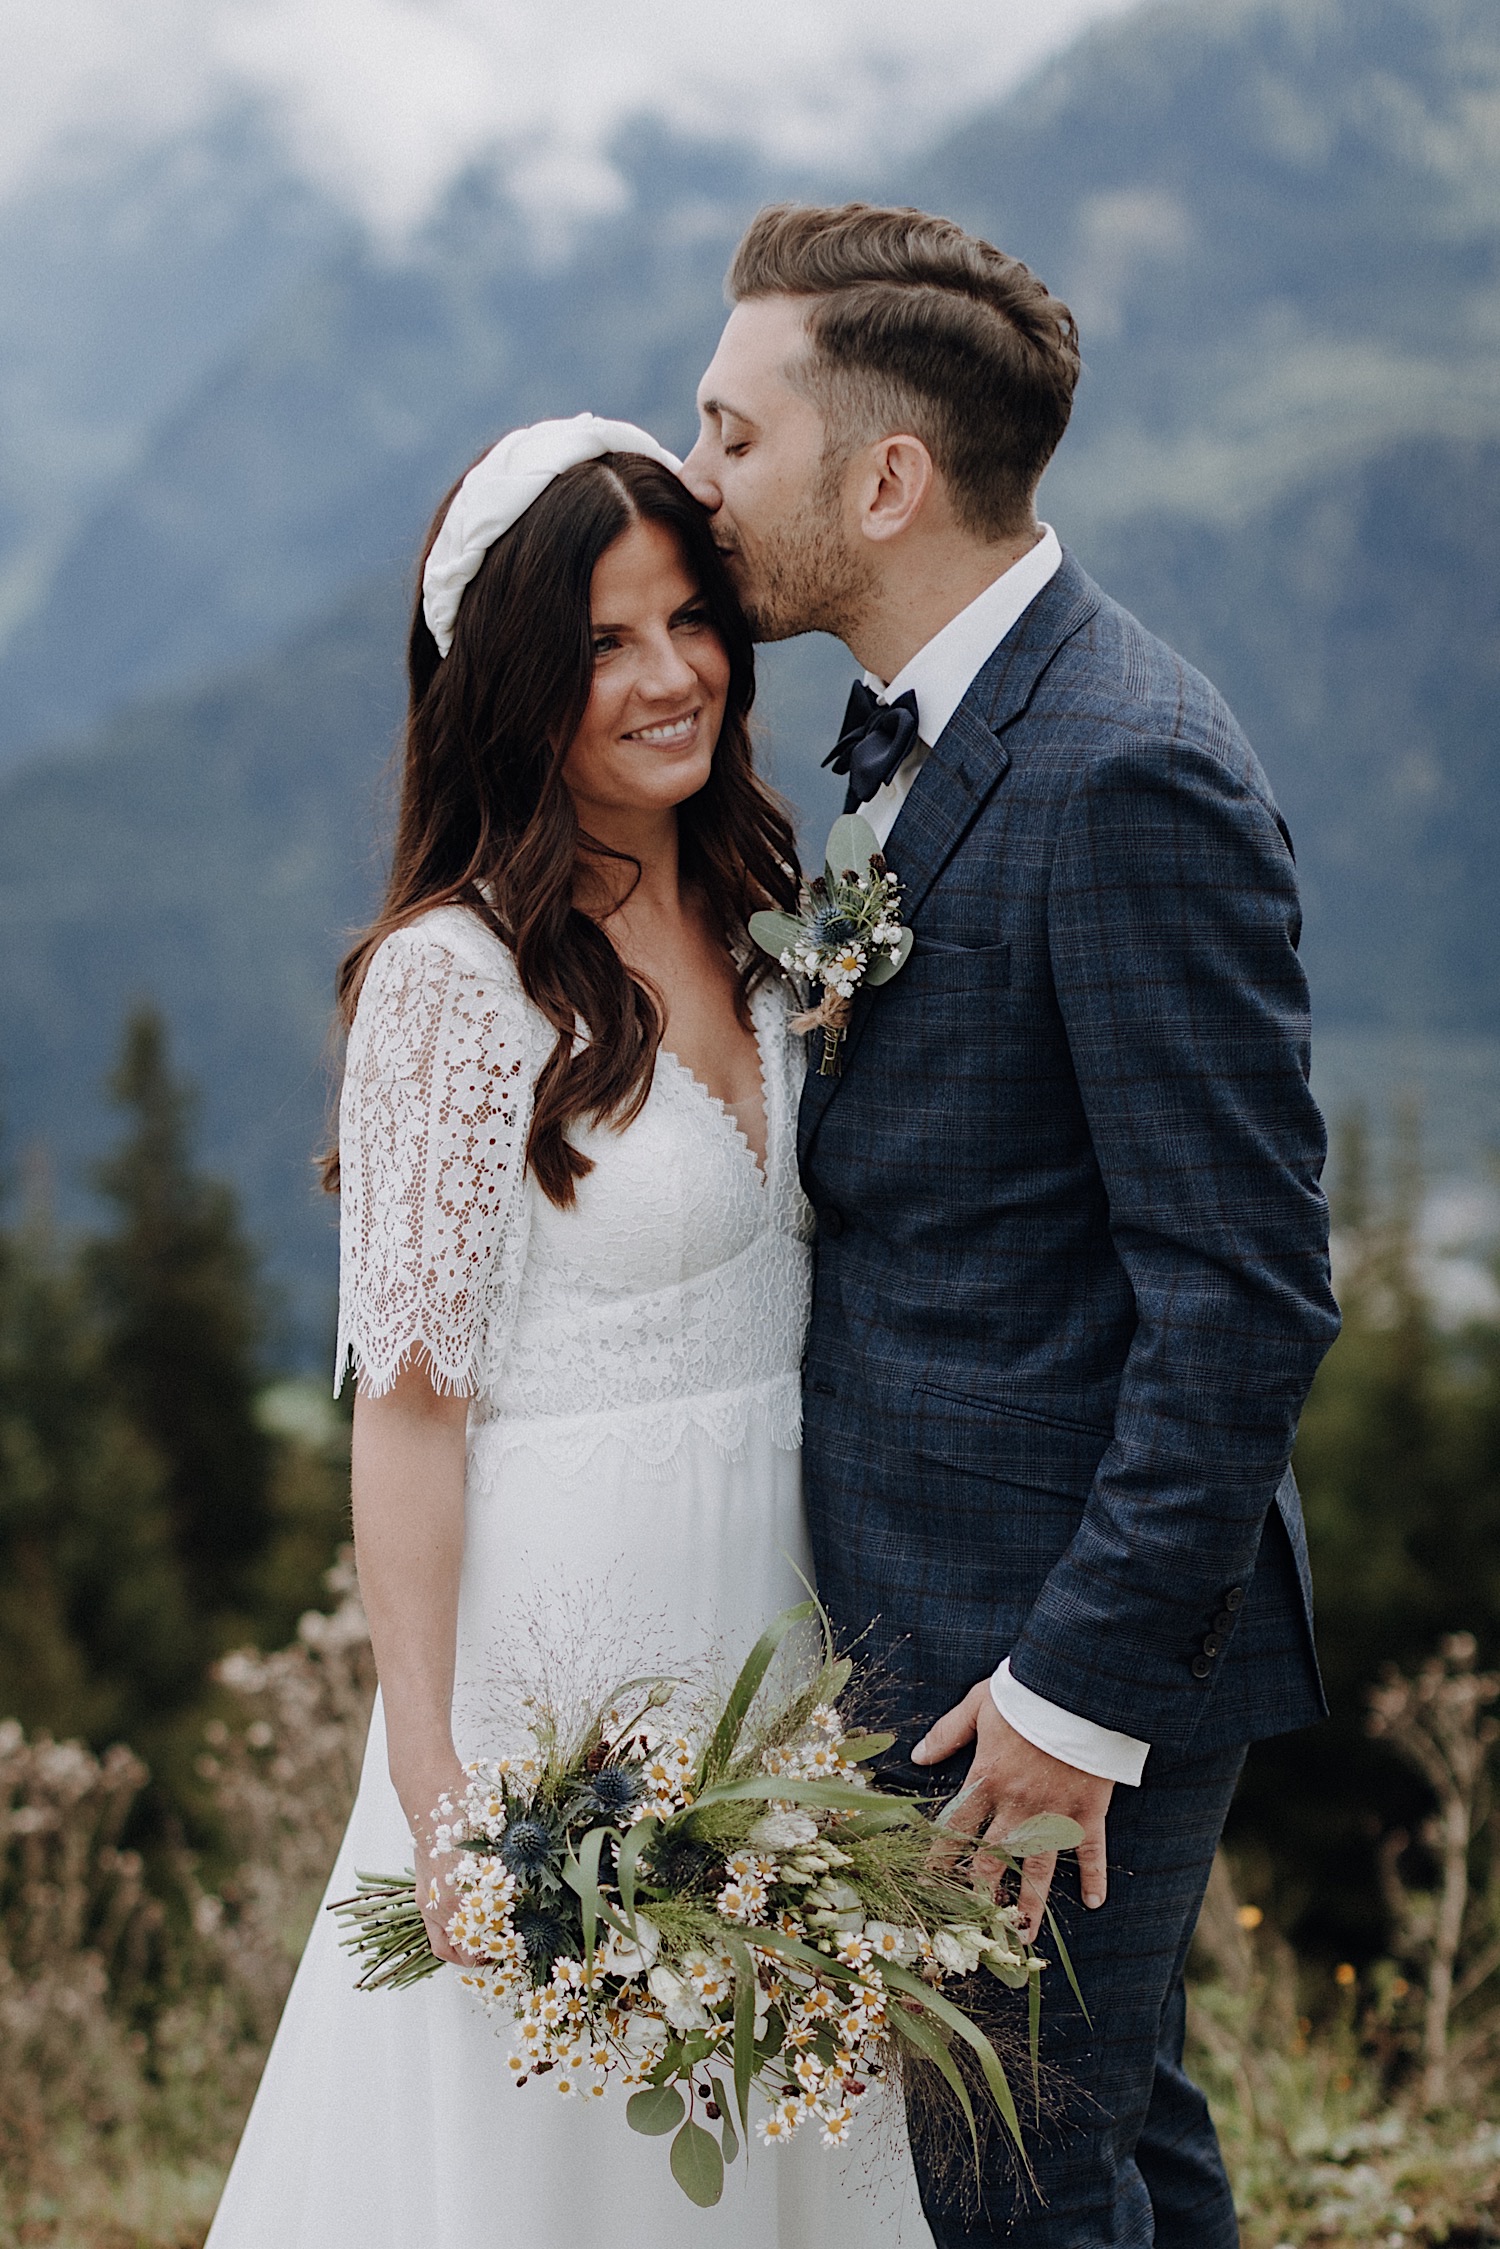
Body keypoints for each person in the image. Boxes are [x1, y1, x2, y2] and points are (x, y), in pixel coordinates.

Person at [682, 204, 1342, 2248]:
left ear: (884, 481)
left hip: (1035, 1675)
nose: (692, 485)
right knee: (1117, 2151)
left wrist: (1071, 1702)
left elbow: (1241, 1296)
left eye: (728, 435)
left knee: (1012, 2204)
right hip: (940, 1639)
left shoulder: (1123, 767)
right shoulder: (921, 729)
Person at [203, 415, 933, 2247]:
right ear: (511, 682)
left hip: (776, 1629)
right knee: (558, 2163)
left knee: (774, 2127)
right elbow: (411, 1409)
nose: (673, 673)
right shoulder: (453, 984)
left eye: (690, 618)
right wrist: (437, 1780)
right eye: (606, 641)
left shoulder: (771, 907)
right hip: (564, 1663)